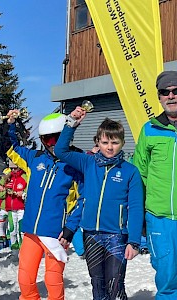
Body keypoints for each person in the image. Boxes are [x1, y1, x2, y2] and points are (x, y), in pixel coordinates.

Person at [54, 109, 144, 300]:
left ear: (122, 143)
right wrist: (72, 123)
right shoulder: (88, 163)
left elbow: (136, 208)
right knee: (98, 285)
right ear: (98, 142)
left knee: (115, 285)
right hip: (91, 235)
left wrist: (134, 241)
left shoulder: (130, 172)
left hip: (116, 237)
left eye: (114, 142)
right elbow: (60, 151)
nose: (110, 147)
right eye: (105, 142)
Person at [6, 110, 84, 300]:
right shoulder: (35, 158)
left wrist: (70, 228)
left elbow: (84, 199)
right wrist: (10, 124)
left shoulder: (76, 164)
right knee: (25, 278)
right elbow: (12, 147)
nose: (51, 144)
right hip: (32, 230)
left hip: (56, 235)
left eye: (55, 138)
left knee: (53, 280)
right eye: (46, 140)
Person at [134, 70, 177, 299]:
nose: (171, 96)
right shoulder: (149, 130)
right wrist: (137, 216)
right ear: (159, 97)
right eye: (165, 92)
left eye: (176, 90)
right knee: (167, 279)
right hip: (159, 219)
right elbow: (139, 176)